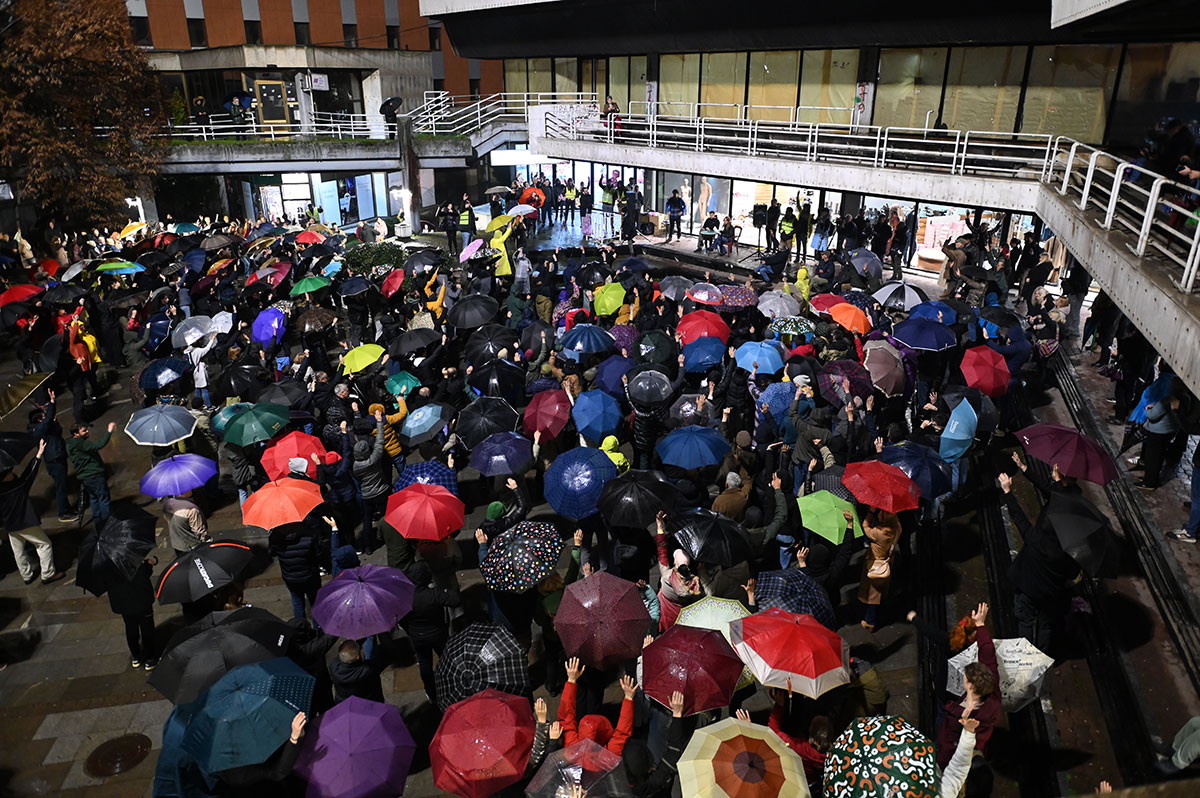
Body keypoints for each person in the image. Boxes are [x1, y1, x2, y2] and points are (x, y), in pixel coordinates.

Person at [1, 440, 63, 585]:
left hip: (10, 525)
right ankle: (47, 574)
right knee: (44, 544)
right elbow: (29, 475)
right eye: (10, 472)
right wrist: (38, 454)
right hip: (25, 522)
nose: (13, 472)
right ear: (6, 477)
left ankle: (26, 575)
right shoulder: (17, 488)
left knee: (18, 551)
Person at [558, 657, 636, 754]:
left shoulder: (571, 747)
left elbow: (566, 718)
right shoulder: (609, 756)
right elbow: (622, 733)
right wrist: (628, 698)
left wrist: (571, 680)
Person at [27, 391, 75, 522]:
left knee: (63, 485)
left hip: (58, 456)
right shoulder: (39, 429)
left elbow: (57, 432)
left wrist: (55, 423)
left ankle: (67, 508)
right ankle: (63, 513)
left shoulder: (45, 427)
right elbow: (48, 419)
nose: (46, 417)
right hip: (54, 460)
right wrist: (52, 403)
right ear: (38, 420)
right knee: (61, 487)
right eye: (43, 416)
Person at [108, 556, 157, 669]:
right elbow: (144, 574)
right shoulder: (132, 558)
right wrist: (148, 564)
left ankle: (136, 656)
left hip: (123, 603)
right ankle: (150, 658)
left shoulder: (107, 564)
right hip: (141, 600)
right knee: (147, 628)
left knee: (130, 628)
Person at [66, 420, 116, 526]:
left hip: (85, 478)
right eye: (84, 431)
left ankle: (98, 523)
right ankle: (107, 522)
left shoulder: (71, 443)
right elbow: (99, 444)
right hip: (94, 475)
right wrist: (109, 431)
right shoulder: (80, 444)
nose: (87, 432)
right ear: (76, 434)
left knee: (94, 498)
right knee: (103, 498)